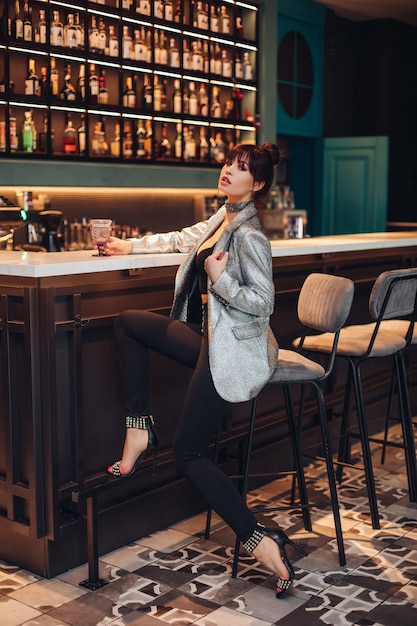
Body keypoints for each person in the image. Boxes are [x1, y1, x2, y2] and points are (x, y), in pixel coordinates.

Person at [102, 142, 306, 597]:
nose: (227, 172)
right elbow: (183, 237)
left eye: (240, 169)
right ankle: (138, 428)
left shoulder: (250, 234)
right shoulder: (223, 217)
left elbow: (262, 303)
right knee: (129, 324)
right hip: (212, 341)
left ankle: (261, 543)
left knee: (187, 454)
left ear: (257, 185)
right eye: (227, 164)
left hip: (233, 352)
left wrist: (220, 279)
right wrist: (128, 244)